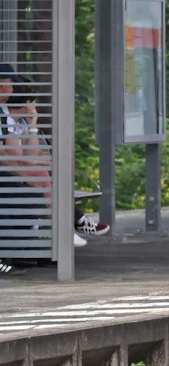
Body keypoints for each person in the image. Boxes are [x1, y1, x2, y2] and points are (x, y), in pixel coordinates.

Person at [0, 63, 104, 275]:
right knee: (41, 180)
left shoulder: (10, 118)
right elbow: (15, 159)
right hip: (11, 173)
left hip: (17, 172)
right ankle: (69, 228)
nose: (9, 90)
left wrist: (33, 124)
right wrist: (31, 172)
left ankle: (63, 232)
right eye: (8, 84)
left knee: (44, 178)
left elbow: (30, 156)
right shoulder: (5, 118)